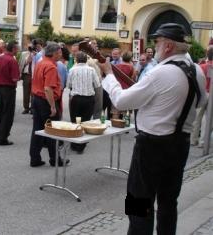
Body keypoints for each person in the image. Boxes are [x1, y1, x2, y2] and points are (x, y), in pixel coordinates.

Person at [100, 23, 206, 235]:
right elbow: (202, 101)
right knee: (169, 201)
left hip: (152, 145)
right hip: (180, 144)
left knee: (138, 201)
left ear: (167, 46)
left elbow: (121, 101)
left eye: (156, 42)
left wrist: (109, 75)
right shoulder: (197, 71)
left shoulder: (161, 73)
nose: (154, 45)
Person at [29, 43, 68, 167]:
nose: (61, 54)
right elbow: (48, 89)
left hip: (37, 99)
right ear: (55, 53)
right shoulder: (51, 67)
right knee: (52, 131)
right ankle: (55, 159)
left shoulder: (41, 63)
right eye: (60, 52)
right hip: (46, 101)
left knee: (37, 129)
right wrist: (52, 106)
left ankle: (35, 158)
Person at [67, 52, 101, 154]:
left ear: (76, 60)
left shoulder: (72, 70)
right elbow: (97, 84)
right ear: (86, 60)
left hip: (76, 99)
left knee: (75, 121)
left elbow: (68, 85)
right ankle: (81, 145)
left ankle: (74, 143)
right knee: (85, 122)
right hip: (89, 99)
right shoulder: (92, 70)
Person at [0, 41, 20, 145]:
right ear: (13, 49)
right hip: (8, 89)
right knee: (7, 114)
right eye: (17, 49)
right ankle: (2, 138)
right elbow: (15, 78)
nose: (18, 51)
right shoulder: (12, 60)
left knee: (0, 111)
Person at [18, 43, 34, 114]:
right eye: (29, 47)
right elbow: (20, 64)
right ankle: (26, 108)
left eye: (31, 47)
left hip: (34, 75)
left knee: (33, 92)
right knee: (26, 92)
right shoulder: (24, 54)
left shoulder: (37, 54)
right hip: (26, 74)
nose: (30, 48)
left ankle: (33, 108)